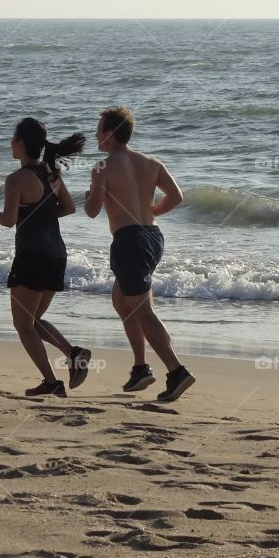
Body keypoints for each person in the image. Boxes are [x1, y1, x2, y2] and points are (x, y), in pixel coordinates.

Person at [83, 105, 195, 402]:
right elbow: (177, 196)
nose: (96, 135)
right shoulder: (151, 162)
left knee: (142, 310)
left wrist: (93, 195)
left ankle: (176, 371)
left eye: (98, 130)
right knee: (122, 300)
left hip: (129, 241)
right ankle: (140, 368)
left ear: (109, 134)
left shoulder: (102, 167)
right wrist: (152, 211)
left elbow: (92, 211)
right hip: (153, 237)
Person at [0, 117, 92, 397]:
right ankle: (74, 354)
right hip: (56, 255)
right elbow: (68, 208)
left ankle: (52, 382)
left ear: (20, 144)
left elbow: (8, 222)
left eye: (13, 139)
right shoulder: (51, 173)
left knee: (22, 325)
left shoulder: (16, 179)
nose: (10, 144)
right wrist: (39, 215)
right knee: (33, 321)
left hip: (32, 255)